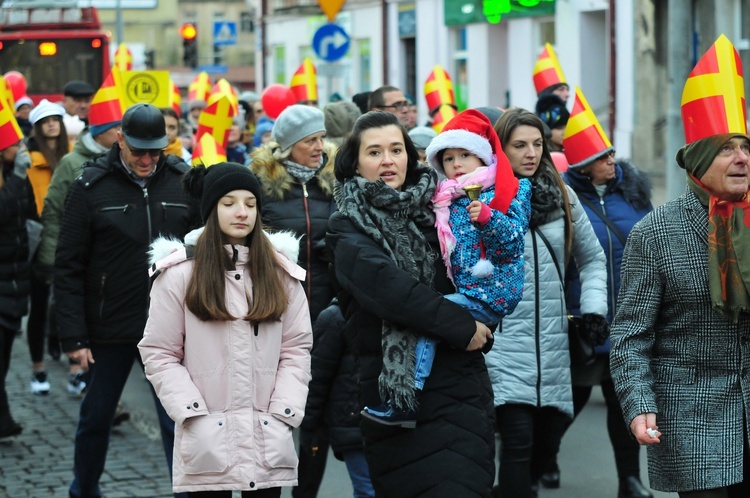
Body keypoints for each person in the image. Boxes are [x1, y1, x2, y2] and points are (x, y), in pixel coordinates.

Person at [327, 110, 495, 497]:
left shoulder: (441, 209)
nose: (388, 160)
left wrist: (484, 320)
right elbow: (389, 289)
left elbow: (475, 276)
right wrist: (462, 326)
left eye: (396, 149)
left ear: (411, 156)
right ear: (354, 162)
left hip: (460, 387)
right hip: (400, 400)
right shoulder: (346, 224)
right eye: (374, 152)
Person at [610, 35, 750, 498]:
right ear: (698, 159)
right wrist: (638, 404)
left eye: (746, 147)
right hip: (691, 416)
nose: (742, 158)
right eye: (728, 148)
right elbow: (630, 335)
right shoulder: (655, 234)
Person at [139, 162, 313, 497]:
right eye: (229, 202)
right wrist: (190, 411)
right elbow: (159, 351)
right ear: (211, 208)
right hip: (206, 433)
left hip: (267, 430)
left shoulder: (280, 275)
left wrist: (284, 410)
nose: (241, 212)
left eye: (250, 204)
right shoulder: (179, 274)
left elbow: (296, 349)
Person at [54, 103, 200, 498]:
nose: (148, 160)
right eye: (139, 151)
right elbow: (67, 266)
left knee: (178, 419)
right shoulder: (89, 187)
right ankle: (84, 489)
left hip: (171, 328)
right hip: (109, 327)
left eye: (156, 151)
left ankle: (186, 493)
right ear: (120, 140)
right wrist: (74, 337)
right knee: (97, 417)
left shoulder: (183, 181)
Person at [359, 109, 531, 427]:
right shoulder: (445, 197)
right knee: (434, 324)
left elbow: (513, 243)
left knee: (429, 322)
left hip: (492, 291)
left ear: (482, 155)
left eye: (465, 155)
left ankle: (408, 397)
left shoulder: (510, 189)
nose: (456, 164)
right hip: (467, 288)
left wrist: (489, 219)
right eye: (449, 158)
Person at [486, 108, 608, 498]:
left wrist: (594, 309)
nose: (531, 153)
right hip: (502, 344)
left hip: (555, 346)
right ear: (500, 148)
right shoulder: (484, 198)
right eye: (519, 145)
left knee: (548, 443)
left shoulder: (561, 192)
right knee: (518, 444)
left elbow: (593, 259)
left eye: (537, 144)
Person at [249, 104, 337, 498]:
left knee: (315, 416)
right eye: (310, 141)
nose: (320, 147)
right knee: (272, 416)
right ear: (287, 147)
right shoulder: (262, 187)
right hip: (274, 316)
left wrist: (335, 246)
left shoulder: (334, 183)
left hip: (327, 314)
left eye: (321, 138)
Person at [561, 129, 653, 497]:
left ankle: (629, 480)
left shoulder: (633, 195)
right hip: (585, 320)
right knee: (568, 402)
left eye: (611, 154)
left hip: (628, 318)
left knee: (621, 400)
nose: (611, 161)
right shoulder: (563, 198)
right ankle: (542, 462)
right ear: (582, 166)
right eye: (602, 157)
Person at [36, 115, 121, 378]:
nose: (121, 133)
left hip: (110, 261)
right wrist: (52, 253)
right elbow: (53, 209)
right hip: (77, 252)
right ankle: (75, 364)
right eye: (115, 128)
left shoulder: (125, 160)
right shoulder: (71, 162)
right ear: (100, 131)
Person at [297, 297, 375, 498]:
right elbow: (317, 378)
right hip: (353, 421)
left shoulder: (391, 310)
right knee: (367, 490)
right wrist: (309, 427)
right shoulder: (335, 317)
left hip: (376, 419)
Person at [25, 99, 71, 396]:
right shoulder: (27, 160)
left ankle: (77, 368)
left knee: (69, 305)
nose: (52, 124)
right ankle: (38, 368)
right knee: (39, 308)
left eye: (56, 119)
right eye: (46, 120)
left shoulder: (71, 157)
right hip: (39, 240)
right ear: (38, 126)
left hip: (70, 237)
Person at [0, 122, 35, 439]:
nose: (23, 144)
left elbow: (27, 213)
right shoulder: (13, 176)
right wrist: (18, 177)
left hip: (14, 277)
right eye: (15, 141)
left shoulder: (15, 174)